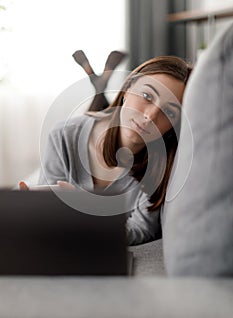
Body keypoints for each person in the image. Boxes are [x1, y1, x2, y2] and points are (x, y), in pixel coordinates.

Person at [20, 56, 192, 245]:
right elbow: (48, 219)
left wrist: (85, 214)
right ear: (127, 89)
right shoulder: (64, 135)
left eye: (169, 112)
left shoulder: (164, 164)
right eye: (147, 96)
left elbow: (141, 229)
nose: (149, 116)